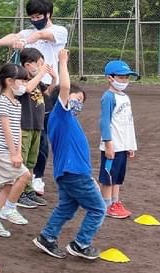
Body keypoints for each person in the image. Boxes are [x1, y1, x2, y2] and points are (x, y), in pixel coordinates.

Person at [31, 49, 105, 260]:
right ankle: (81, 244)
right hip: (74, 173)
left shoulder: (68, 121)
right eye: (76, 98)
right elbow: (64, 86)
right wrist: (63, 61)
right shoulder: (60, 115)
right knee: (98, 209)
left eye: (82, 101)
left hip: (71, 173)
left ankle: (47, 237)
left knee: (67, 208)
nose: (79, 103)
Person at [0, 63, 33, 238]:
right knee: (24, 176)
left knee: (9, 184)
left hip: (4, 149)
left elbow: (16, 128)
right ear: (10, 81)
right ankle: (9, 208)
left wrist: (17, 151)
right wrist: (14, 153)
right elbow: (6, 130)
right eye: (22, 81)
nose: (25, 85)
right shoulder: (2, 102)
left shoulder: (15, 103)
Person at [0, 0, 68, 75]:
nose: (35, 20)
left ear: (48, 15)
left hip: (48, 80)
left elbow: (40, 34)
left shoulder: (60, 31)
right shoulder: (28, 32)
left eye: (38, 17)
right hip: (27, 81)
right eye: (32, 17)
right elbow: (14, 37)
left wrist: (24, 41)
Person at [16, 48, 55, 208]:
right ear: (27, 65)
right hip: (24, 127)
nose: (41, 67)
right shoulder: (20, 80)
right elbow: (27, 89)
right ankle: (18, 193)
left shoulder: (37, 81)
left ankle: (28, 190)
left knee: (31, 161)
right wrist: (40, 74)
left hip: (36, 127)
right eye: (38, 64)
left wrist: (54, 77)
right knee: (22, 162)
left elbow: (49, 94)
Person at [99, 59, 138, 219]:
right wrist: (108, 143)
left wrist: (131, 145)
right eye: (121, 77)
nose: (124, 81)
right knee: (108, 178)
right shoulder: (108, 97)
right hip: (112, 146)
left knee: (118, 178)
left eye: (127, 77)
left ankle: (115, 202)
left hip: (123, 145)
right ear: (110, 77)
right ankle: (106, 205)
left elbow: (128, 123)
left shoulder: (125, 97)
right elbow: (104, 122)